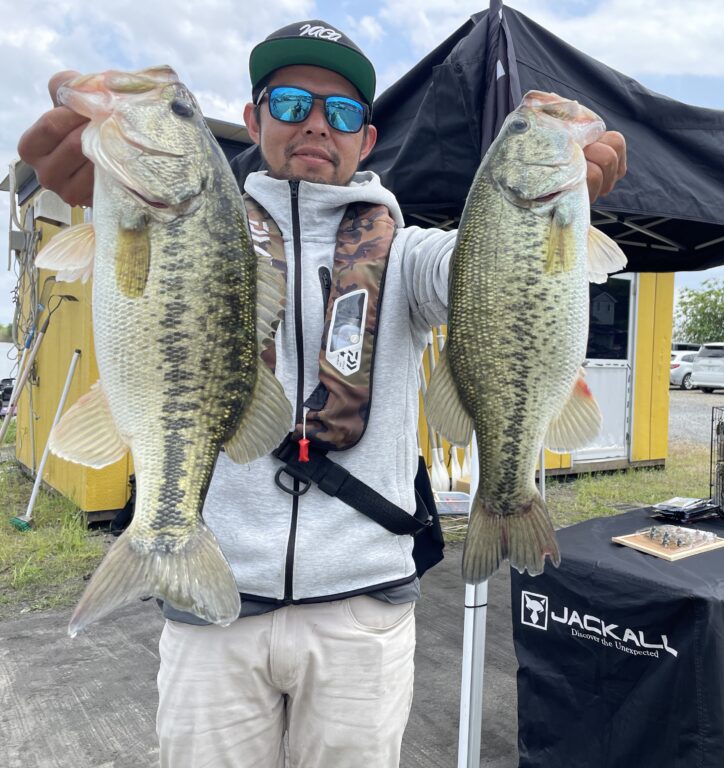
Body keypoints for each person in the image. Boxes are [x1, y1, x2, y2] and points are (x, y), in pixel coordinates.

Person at [18, 19, 627, 768]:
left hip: (361, 611)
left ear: (366, 140)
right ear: (253, 121)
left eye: (340, 111)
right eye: (290, 103)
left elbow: (480, 271)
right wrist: (102, 192)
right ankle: (164, 538)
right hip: (214, 606)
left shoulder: (408, 254)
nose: (314, 123)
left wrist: (534, 218)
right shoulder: (205, 226)